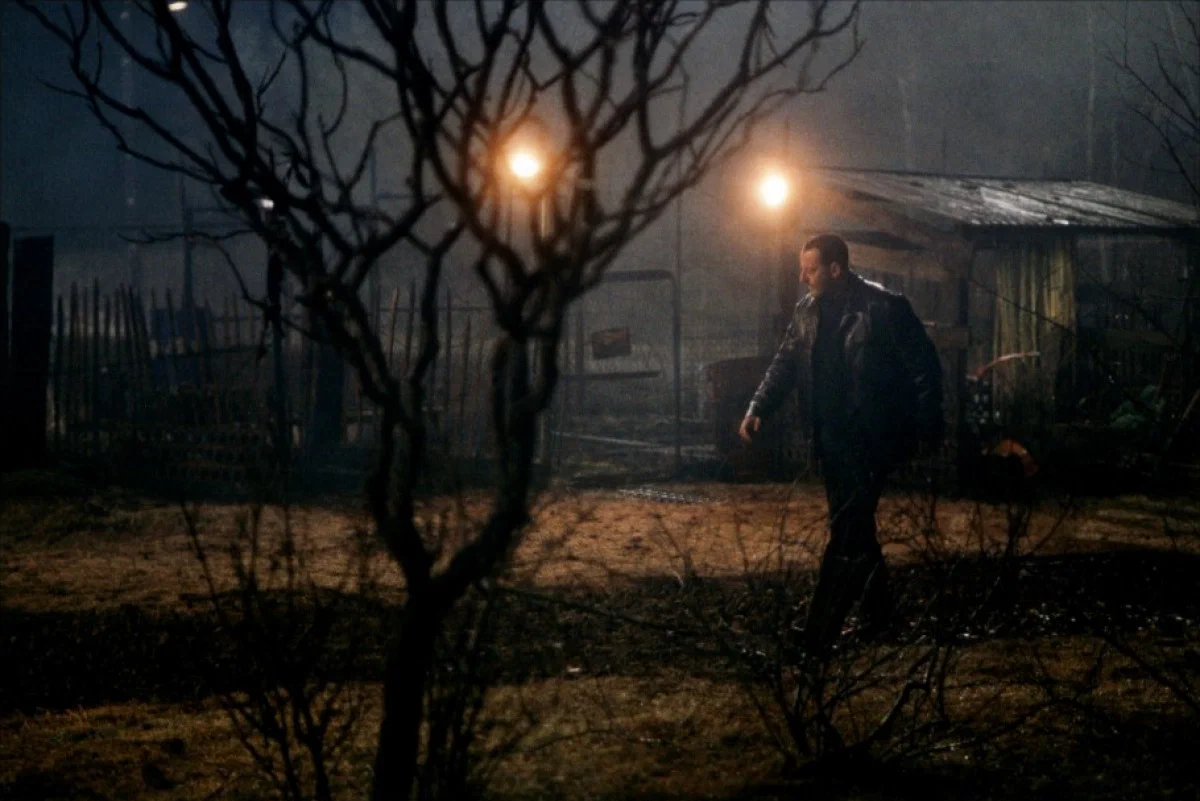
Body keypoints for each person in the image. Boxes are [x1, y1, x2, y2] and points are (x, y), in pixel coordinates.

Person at [738, 233, 943, 659]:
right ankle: (880, 616)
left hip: (872, 438)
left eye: (810, 269)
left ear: (835, 269)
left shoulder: (884, 308)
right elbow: (786, 361)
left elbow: (923, 366)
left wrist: (924, 425)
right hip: (830, 439)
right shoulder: (807, 311)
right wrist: (760, 406)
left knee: (847, 531)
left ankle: (819, 632)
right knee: (855, 528)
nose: (803, 277)